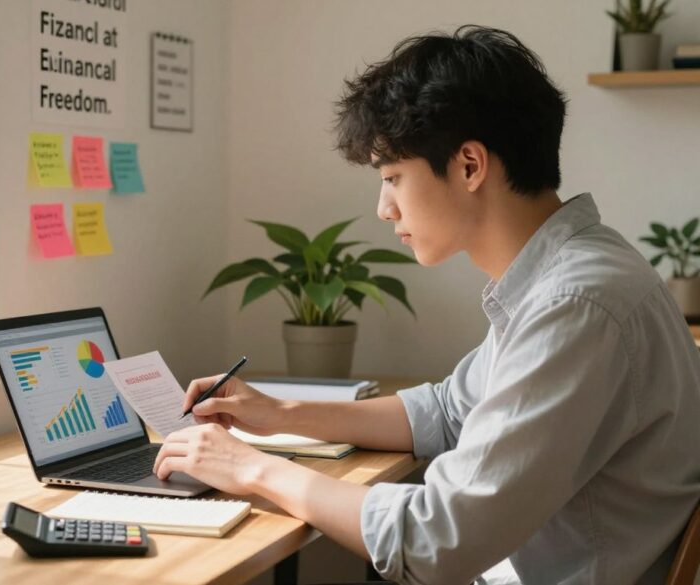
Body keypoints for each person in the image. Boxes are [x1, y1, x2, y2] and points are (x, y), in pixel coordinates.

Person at [153, 25, 700, 585]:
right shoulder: (569, 272)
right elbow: (447, 411)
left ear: (469, 165)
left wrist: (251, 467)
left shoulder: (575, 304)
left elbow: (433, 541)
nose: (383, 208)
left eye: (392, 177)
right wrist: (280, 415)